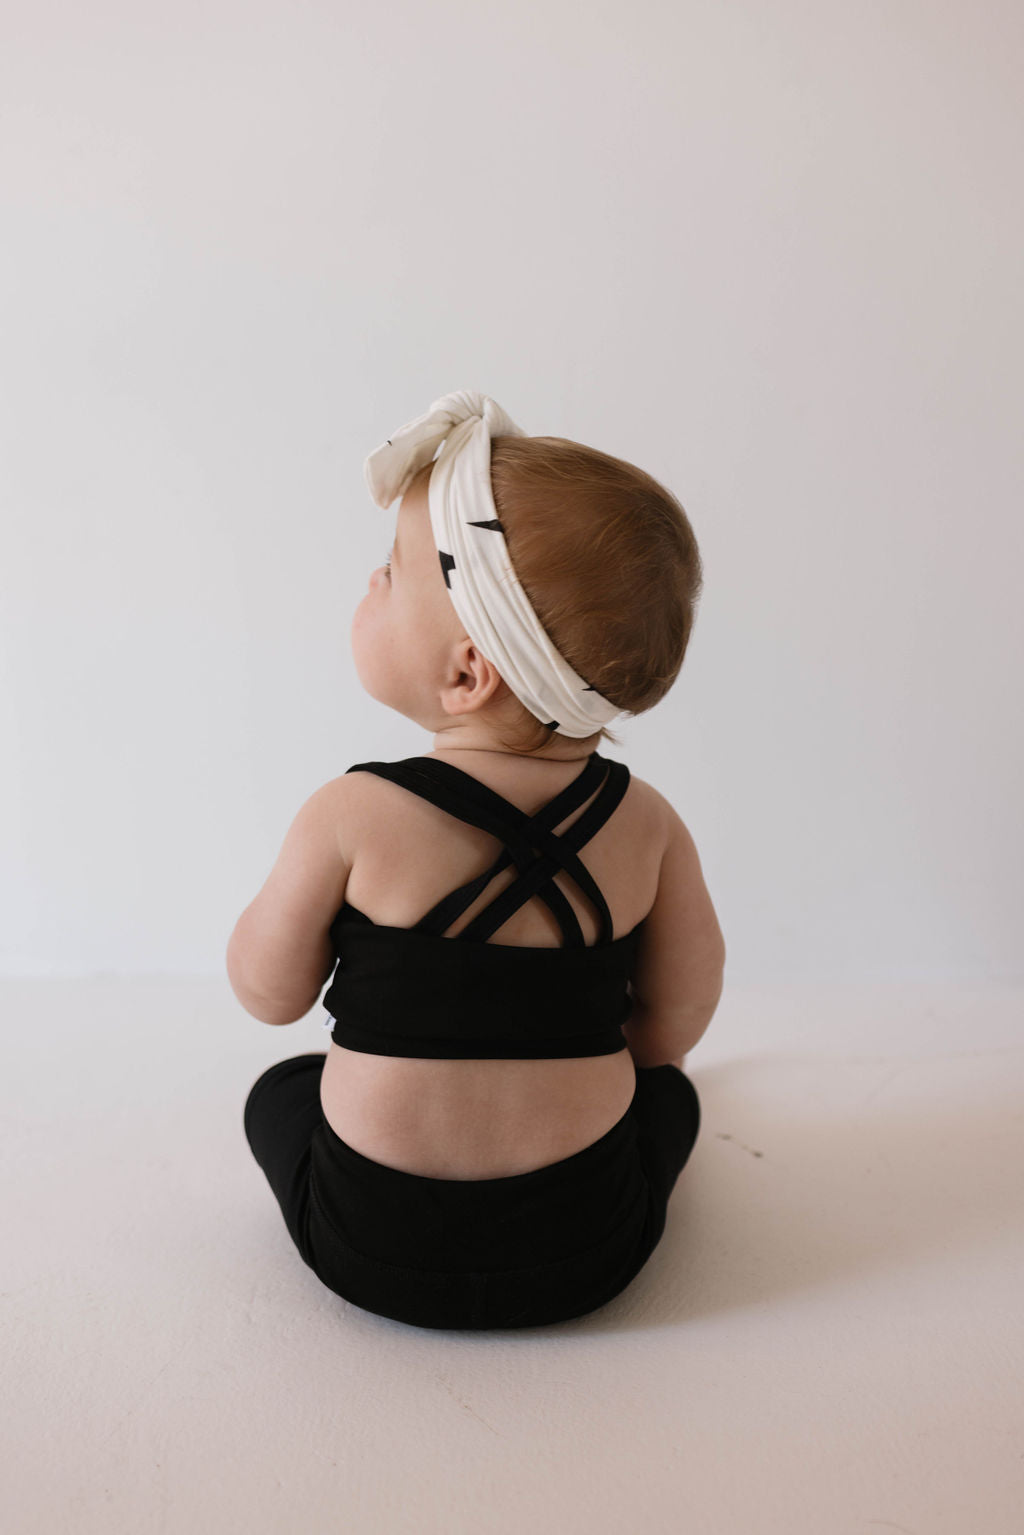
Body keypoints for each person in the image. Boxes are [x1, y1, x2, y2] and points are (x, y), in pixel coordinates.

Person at [229, 390, 726, 1331]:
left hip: (369, 1240)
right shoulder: (649, 824)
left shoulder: (350, 814)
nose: (369, 582)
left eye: (389, 570)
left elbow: (268, 995)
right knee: (669, 1099)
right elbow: (669, 1031)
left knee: (282, 1089)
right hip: (587, 1246)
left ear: (466, 673)